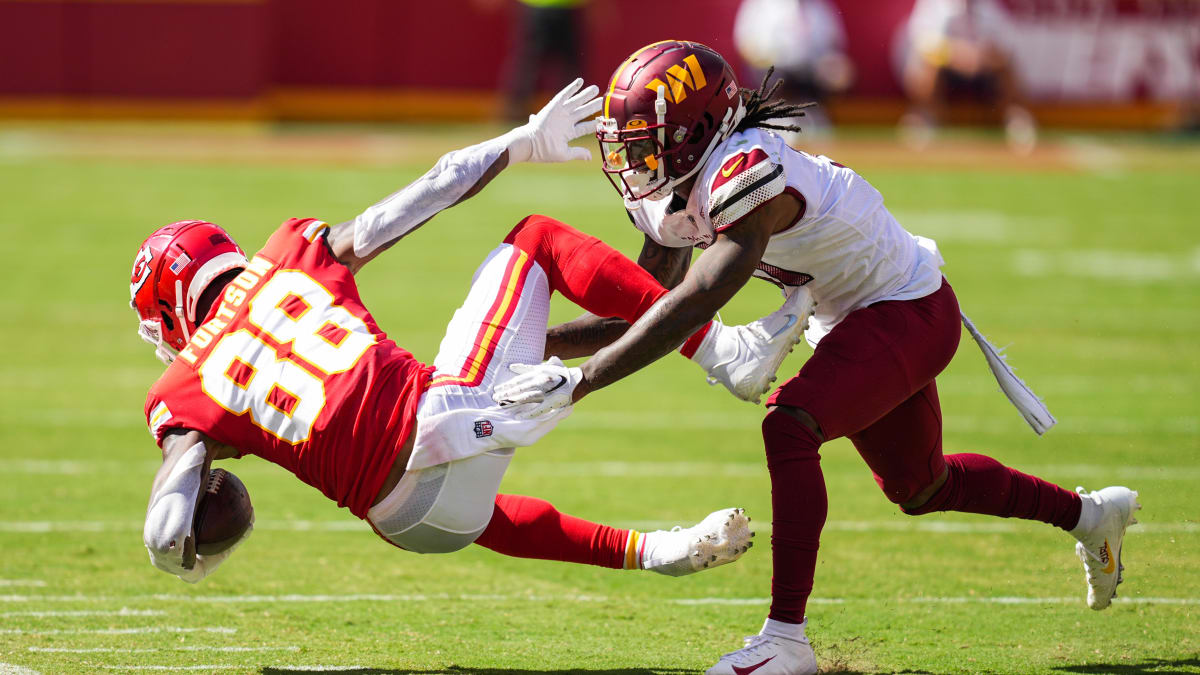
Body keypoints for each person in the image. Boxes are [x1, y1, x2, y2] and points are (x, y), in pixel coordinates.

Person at [492, 43, 1141, 675]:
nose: (633, 155)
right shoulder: (683, 181)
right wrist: (540, 342)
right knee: (922, 486)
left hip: (907, 309)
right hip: (849, 317)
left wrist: (580, 382)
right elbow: (646, 304)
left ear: (695, 131)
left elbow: (695, 303)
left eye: (646, 137)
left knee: (790, 421)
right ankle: (1091, 515)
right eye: (628, 139)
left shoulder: (745, 171)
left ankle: (785, 639)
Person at [132, 79, 803, 587]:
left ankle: (655, 551)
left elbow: (167, 530)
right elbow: (433, 187)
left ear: (170, 312)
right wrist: (523, 141)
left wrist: (192, 536)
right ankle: (723, 350)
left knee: (470, 472)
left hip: (411, 524)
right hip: (438, 427)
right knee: (536, 238)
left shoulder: (181, 390)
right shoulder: (291, 251)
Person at [899, 0, 1037, 153]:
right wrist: (956, 54)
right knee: (927, 65)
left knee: (1006, 66)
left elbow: (1006, 46)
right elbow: (922, 42)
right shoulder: (934, 4)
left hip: (982, 70)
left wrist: (982, 56)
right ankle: (924, 118)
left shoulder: (989, 6)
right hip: (947, 70)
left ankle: (1015, 119)